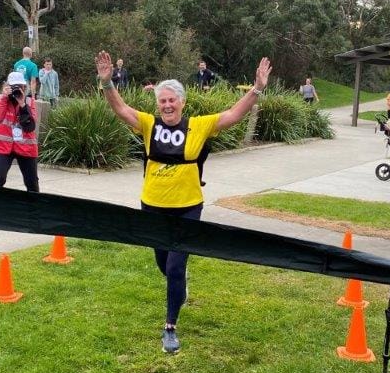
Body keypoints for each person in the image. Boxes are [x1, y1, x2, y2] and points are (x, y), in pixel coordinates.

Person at [95, 49, 271, 354]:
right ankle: (179, 286)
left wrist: (256, 89)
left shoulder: (197, 126)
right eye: (162, 101)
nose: (167, 105)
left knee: (175, 267)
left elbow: (232, 115)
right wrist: (107, 82)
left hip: (188, 208)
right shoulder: (149, 124)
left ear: (182, 103)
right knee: (163, 264)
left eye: (172, 100)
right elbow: (121, 110)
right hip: (152, 207)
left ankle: (170, 328)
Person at [0, 72, 39, 192]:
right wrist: (5, 98)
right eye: (14, 86)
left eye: (20, 86)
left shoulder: (29, 102)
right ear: (7, 86)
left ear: (24, 87)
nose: (17, 89)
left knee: (32, 182)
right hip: (3, 146)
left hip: (26, 147)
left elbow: (30, 127)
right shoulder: (0, 99)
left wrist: (22, 104)